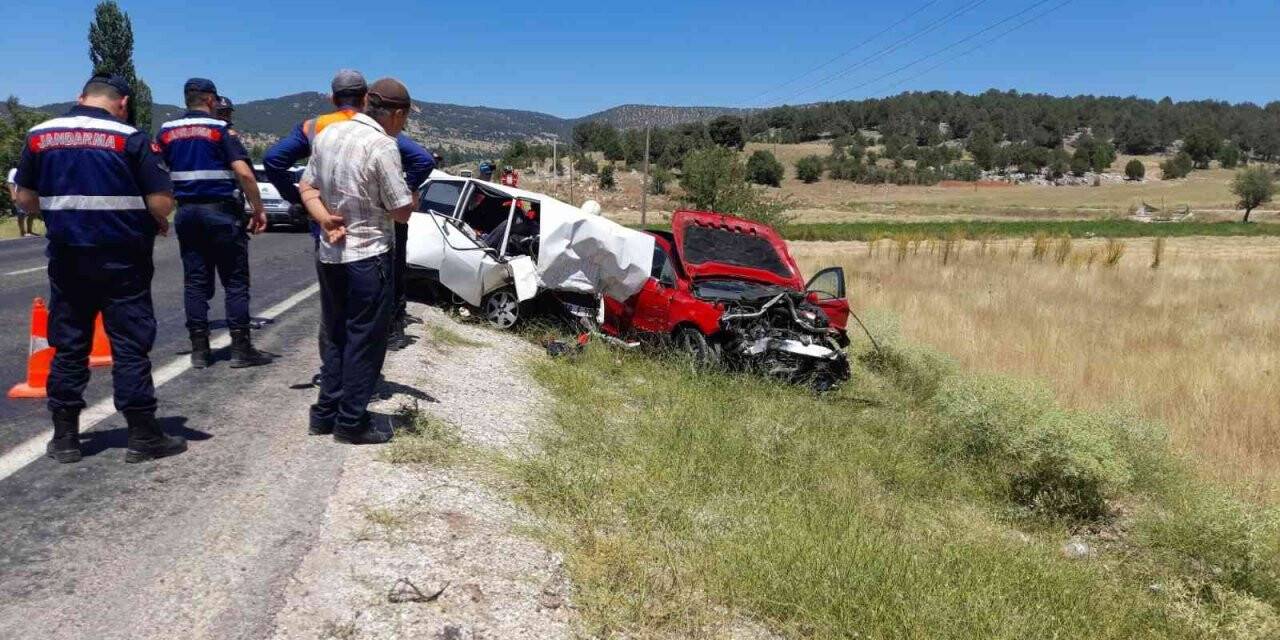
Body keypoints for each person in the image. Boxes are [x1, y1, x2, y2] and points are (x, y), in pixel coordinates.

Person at [11, 74, 185, 463]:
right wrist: (156, 219)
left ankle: (65, 438)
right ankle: (142, 435)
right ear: (122, 102)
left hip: (69, 258)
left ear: (81, 97)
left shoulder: (40, 135)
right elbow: (160, 202)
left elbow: (24, 198)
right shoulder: (131, 138)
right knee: (129, 343)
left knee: (69, 344)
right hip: (124, 258)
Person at [262, 70, 433, 368]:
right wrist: (401, 191)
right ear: (365, 97)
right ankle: (362, 379)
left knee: (333, 314)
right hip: (370, 239)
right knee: (366, 318)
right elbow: (423, 160)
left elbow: (274, 160)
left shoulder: (316, 127)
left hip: (328, 230)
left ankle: (333, 374)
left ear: (332, 97)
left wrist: (301, 200)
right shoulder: (375, 130)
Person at [297, 77, 417, 445]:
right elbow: (400, 212)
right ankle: (352, 422)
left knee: (334, 335)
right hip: (369, 256)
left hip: (331, 254)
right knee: (365, 340)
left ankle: (324, 414)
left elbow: (307, 187)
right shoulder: (383, 145)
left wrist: (324, 218)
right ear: (396, 114)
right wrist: (413, 197)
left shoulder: (328, 135)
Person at [158, 79, 272, 370]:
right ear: (210, 99)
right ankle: (241, 349)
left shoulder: (166, 132)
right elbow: (245, 174)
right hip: (220, 212)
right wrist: (258, 209)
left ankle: (199, 350)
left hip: (187, 213)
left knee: (195, 282)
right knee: (235, 282)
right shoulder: (220, 130)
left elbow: (157, 174)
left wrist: (159, 214)